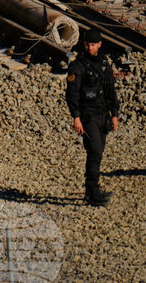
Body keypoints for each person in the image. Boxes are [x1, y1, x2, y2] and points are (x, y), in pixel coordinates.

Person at [65, 29, 119, 206]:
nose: (90, 48)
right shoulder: (78, 66)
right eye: (87, 44)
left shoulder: (104, 63)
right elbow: (72, 94)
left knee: (98, 151)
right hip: (88, 116)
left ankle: (91, 190)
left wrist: (115, 114)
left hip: (103, 114)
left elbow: (111, 89)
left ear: (99, 44)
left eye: (93, 44)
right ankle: (92, 192)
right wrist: (76, 117)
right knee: (95, 150)